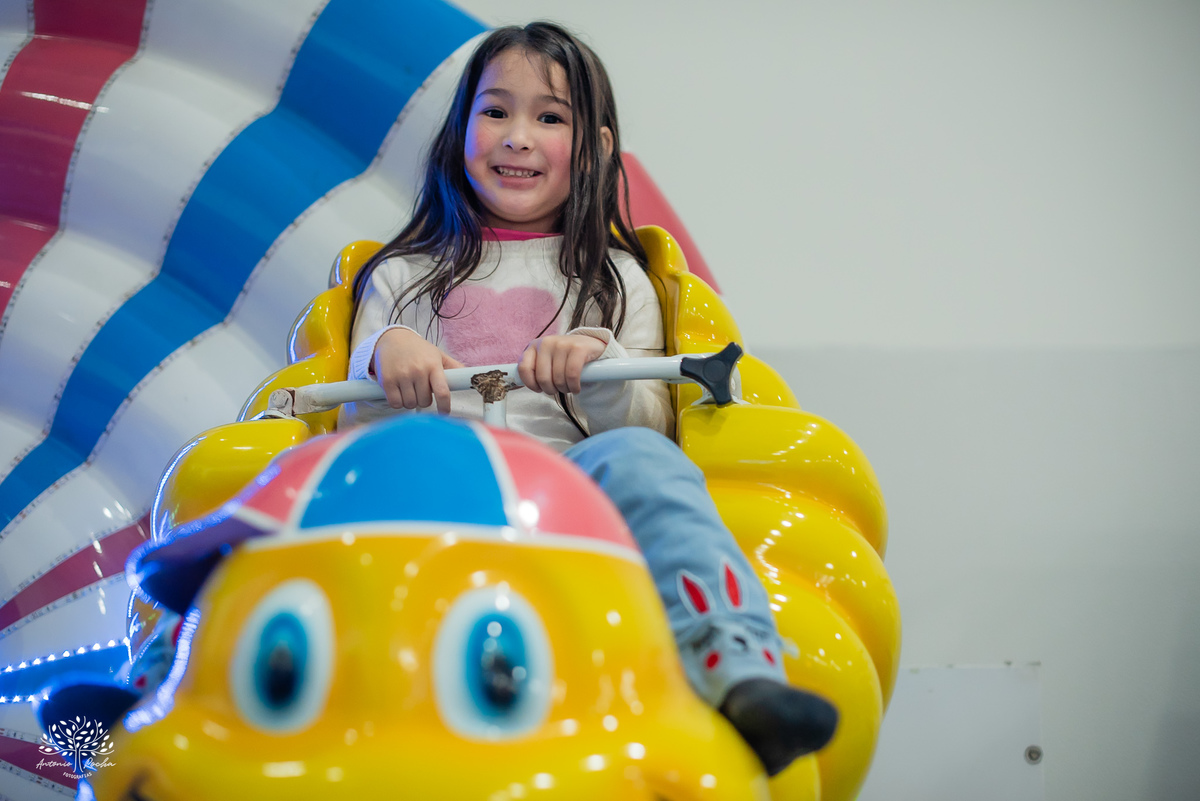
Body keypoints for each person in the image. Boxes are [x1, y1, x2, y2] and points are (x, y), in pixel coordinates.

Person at [340, 21, 836, 777]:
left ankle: (735, 664)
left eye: (550, 118)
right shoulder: (401, 276)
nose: (518, 137)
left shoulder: (616, 280)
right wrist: (385, 353)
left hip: (571, 493)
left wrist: (601, 360)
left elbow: (649, 434)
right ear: (460, 128)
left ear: (597, 147)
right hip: (435, 488)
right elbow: (348, 436)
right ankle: (177, 678)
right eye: (496, 111)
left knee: (638, 454)